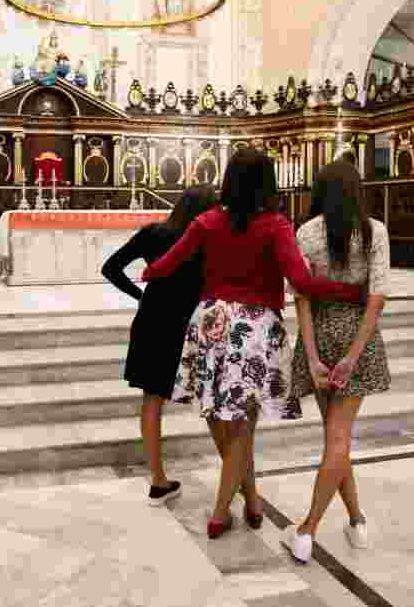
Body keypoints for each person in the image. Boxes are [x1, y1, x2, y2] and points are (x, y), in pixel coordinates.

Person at [141, 151, 366, 539]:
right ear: (268, 184)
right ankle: (219, 513)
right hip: (255, 329)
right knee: (243, 426)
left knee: (219, 417)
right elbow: (302, 281)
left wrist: (150, 272)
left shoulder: (206, 221)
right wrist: (346, 291)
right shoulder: (275, 225)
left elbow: (167, 263)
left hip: (210, 321)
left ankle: (252, 497)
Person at [285, 161, 391, 563]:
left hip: (321, 331)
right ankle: (357, 522)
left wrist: (312, 356)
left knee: (335, 437)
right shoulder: (374, 230)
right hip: (356, 335)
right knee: (338, 438)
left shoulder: (306, 232)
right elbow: (377, 297)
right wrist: (354, 355)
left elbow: (302, 298)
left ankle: (307, 529)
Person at [101, 185, 217, 506]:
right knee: (212, 402)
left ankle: (158, 480)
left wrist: (141, 296)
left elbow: (110, 268)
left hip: (153, 323)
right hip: (191, 325)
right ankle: (235, 480)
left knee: (151, 401)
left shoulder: (153, 233)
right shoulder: (208, 239)